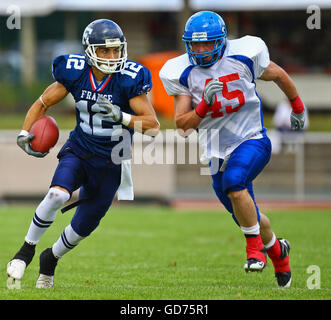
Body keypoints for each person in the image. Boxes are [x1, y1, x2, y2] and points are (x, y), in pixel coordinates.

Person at [7, 19, 160, 289]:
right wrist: (23, 132)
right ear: (90, 50)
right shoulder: (75, 71)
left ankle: (50, 258)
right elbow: (43, 102)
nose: (112, 57)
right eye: (104, 51)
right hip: (80, 149)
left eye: (116, 50)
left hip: (111, 161)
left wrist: (122, 116)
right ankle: (25, 251)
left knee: (83, 226)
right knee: (57, 194)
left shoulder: (128, 79)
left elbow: (153, 126)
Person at [159, 11, 306, 287]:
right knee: (247, 215)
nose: (200, 50)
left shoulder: (244, 56)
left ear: (222, 40)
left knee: (234, 182)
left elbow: (279, 75)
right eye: (195, 44)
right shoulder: (182, 72)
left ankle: (254, 252)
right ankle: (279, 253)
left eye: (207, 43)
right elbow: (182, 125)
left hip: (252, 138)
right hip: (215, 152)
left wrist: (297, 108)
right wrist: (203, 106)